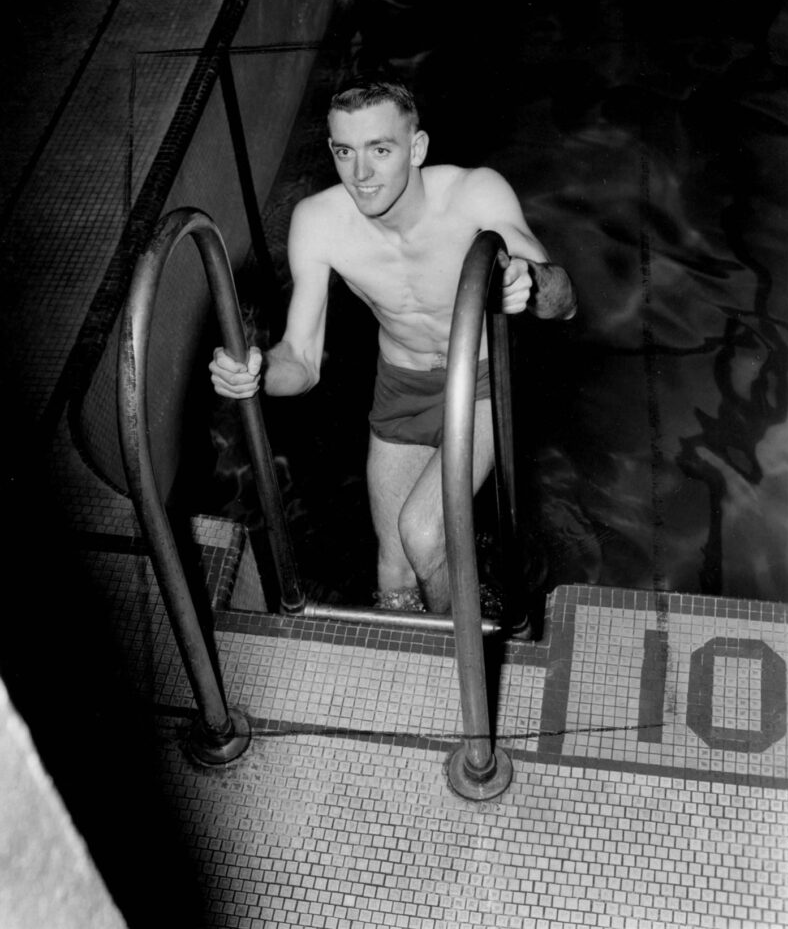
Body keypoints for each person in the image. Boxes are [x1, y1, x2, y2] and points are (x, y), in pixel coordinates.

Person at [210, 78, 576, 613]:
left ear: (417, 148)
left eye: (380, 150)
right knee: (395, 566)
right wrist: (260, 371)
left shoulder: (474, 194)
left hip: (477, 380)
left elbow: (564, 301)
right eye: (344, 152)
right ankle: (403, 661)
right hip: (399, 386)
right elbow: (304, 363)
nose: (361, 174)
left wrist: (531, 283)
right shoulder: (318, 223)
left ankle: (465, 654)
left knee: (423, 533)